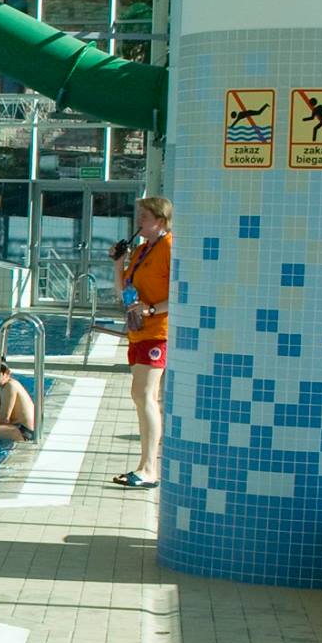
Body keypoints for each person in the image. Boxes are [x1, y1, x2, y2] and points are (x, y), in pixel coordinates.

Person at [114, 196, 172, 489]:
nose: (139, 222)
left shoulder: (170, 248)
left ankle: (150, 468)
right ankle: (143, 465)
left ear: (160, 221)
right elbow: (123, 289)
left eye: (145, 217)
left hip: (157, 331)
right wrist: (118, 262)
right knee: (139, 397)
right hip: (138, 331)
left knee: (145, 395)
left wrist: (150, 310)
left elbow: (180, 293)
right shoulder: (140, 250)